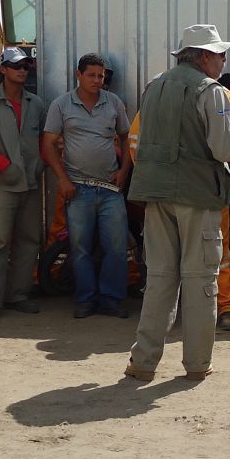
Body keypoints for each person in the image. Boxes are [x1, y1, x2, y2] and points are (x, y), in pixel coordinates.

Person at [125, 24, 230, 381]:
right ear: (204, 56)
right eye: (219, 54)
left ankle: (142, 363)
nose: (223, 60)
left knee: (159, 279)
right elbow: (226, 149)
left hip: (156, 196)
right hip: (197, 197)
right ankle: (197, 364)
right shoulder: (210, 92)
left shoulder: (154, 87)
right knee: (202, 282)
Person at [42, 52, 133, 319]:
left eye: (101, 76)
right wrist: (62, 179)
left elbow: (127, 137)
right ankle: (85, 299)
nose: (96, 80)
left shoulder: (113, 102)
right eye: (91, 75)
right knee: (79, 248)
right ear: (78, 75)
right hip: (77, 188)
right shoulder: (62, 105)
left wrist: (124, 171)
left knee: (116, 248)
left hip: (110, 188)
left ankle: (112, 299)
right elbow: (48, 144)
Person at [0, 47, 48, 321]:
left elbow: (42, 139)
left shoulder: (35, 103)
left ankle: (19, 295)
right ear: (3, 69)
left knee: (29, 240)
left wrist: (39, 163)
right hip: (4, 183)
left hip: (31, 181)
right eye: (16, 66)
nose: (22, 70)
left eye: (26, 66)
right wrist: (2, 165)